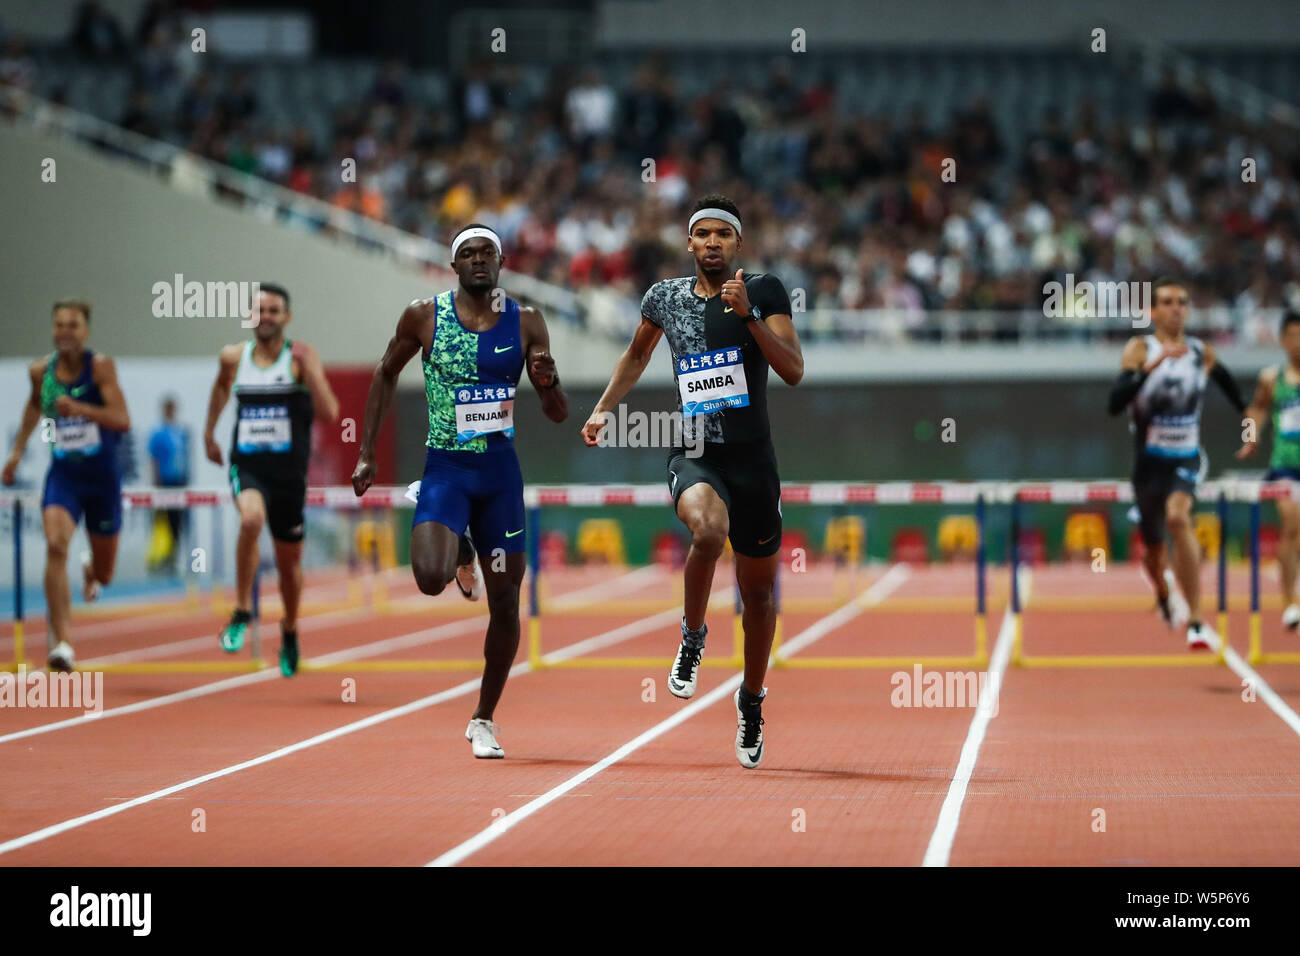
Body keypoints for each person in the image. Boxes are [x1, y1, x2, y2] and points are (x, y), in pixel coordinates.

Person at [581, 195, 804, 768]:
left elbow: (793, 370)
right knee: (707, 532)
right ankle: (693, 634)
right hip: (698, 450)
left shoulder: (766, 290)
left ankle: (751, 698)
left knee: (758, 597)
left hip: (755, 461)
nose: (711, 243)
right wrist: (605, 408)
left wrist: (750, 314)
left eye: (721, 235)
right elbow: (635, 356)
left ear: (738, 244)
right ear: (689, 244)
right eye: (701, 234)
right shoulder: (666, 298)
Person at [351, 223, 568, 759]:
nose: (477, 260)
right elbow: (384, 372)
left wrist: (547, 382)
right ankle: (461, 546)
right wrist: (366, 451)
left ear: (500, 262)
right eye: (466, 253)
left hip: (499, 478)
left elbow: (558, 411)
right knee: (429, 577)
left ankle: (484, 718)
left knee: (505, 605)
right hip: (445, 470)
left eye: (485, 252)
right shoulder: (424, 315)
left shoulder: (527, 322)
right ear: (452, 266)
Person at [204, 284, 340, 676]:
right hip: (247, 465)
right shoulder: (233, 358)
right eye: (260, 310)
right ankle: (242, 610)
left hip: (289, 476)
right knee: (249, 519)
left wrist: (310, 369)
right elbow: (218, 392)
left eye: (274, 310)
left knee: (288, 564)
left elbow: (330, 411)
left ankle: (291, 628)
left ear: (287, 317)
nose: (266, 316)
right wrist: (209, 433)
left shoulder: (299, 358)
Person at [1108, 277, 1248, 650]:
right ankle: (1165, 594)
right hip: (1147, 464)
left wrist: (1250, 428)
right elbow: (1114, 403)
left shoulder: (1202, 352)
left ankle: (1198, 621)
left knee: (1178, 518)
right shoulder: (1140, 348)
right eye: (1168, 302)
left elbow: (1237, 395)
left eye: (1182, 302)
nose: (1176, 308)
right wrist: (1151, 367)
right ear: (1152, 311)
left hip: (1186, 457)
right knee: (1153, 551)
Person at [1, 300, 131, 672]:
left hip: (103, 480)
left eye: (72, 325)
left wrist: (83, 411)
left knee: (106, 573)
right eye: (59, 325)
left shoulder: (100, 368)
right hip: (65, 477)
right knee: (56, 546)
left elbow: (122, 420)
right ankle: (63, 644)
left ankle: (92, 569)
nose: (64, 332)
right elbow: (33, 406)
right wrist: (16, 452)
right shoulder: (41, 372)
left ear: (85, 331)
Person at [1237, 309, 1300, 630]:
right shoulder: (1271, 378)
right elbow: (1256, 409)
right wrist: (1250, 440)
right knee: (1292, 525)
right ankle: (1290, 602)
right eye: (1292, 336)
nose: (1297, 342)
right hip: (1286, 468)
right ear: (1283, 339)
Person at [147, 395, 190, 569]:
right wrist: (156, 482)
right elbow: (154, 459)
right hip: (166, 482)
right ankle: (165, 555)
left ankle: (176, 555)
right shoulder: (158, 434)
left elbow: (185, 457)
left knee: (179, 521)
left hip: (180, 481)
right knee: (165, 520)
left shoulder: (181, 432)